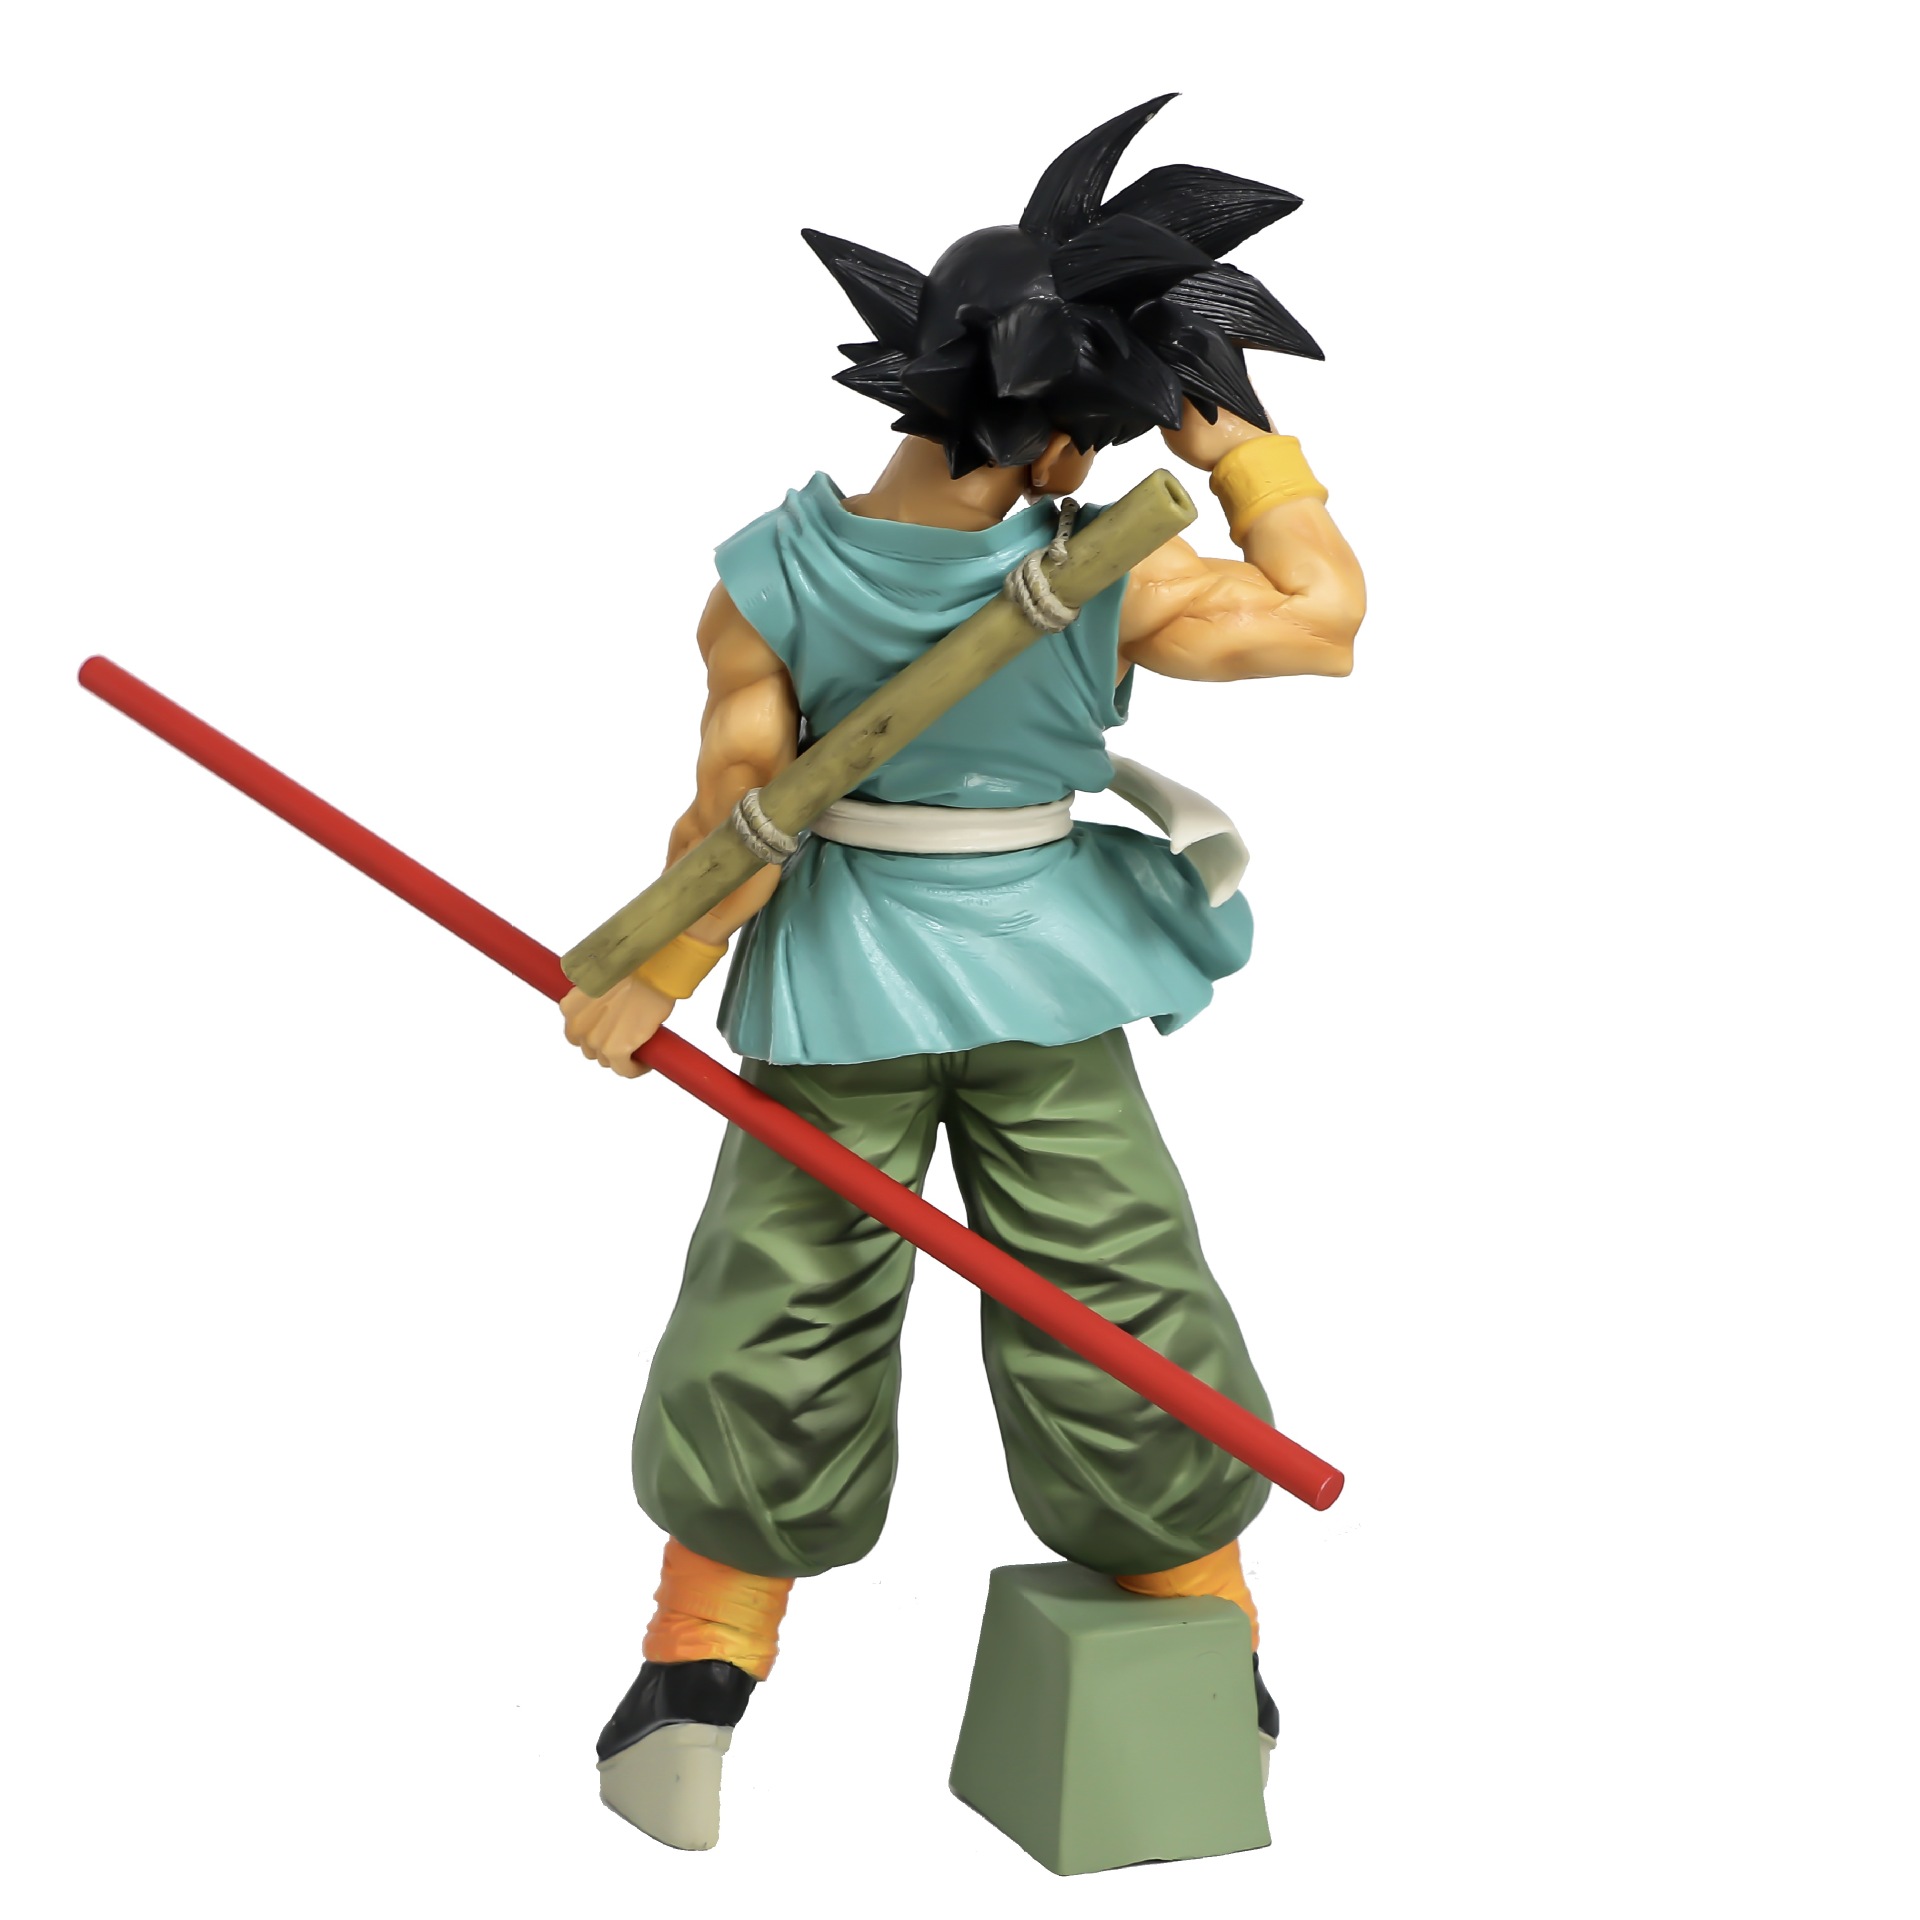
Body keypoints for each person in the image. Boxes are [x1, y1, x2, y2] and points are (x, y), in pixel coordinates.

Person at [560, 96, 1366, 1851]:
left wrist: (664, 967)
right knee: (1114, 1291)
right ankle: (1206, 1634)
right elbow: (1323, 621)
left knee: (785, 1302)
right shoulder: (1107, 572)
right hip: (1037, 978)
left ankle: (697, 1672)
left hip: (841, 978)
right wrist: (1243, 447)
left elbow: (733, 813)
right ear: (1067, 437)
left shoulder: (769, 577)